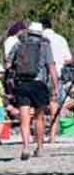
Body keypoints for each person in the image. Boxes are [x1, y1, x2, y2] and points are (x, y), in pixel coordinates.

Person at [6, 22, 59, 160]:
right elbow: (51, 66)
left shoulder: (18, 44)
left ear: (28, 32)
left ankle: (25, 147)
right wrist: (55, 85)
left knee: (24, 118)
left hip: (22, 84)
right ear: (40, 33)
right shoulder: (45, 45)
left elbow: (8, 64)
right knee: (39, 118)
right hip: (39, 84)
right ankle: (40, 147)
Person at [42, 17, 73, 143]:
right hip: (58, 74)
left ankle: (37, 135)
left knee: (39, 105)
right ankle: (52, 136)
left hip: (42, 74)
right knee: (54, 103)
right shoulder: (61, 38)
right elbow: (69, 59)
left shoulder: (39, 39)